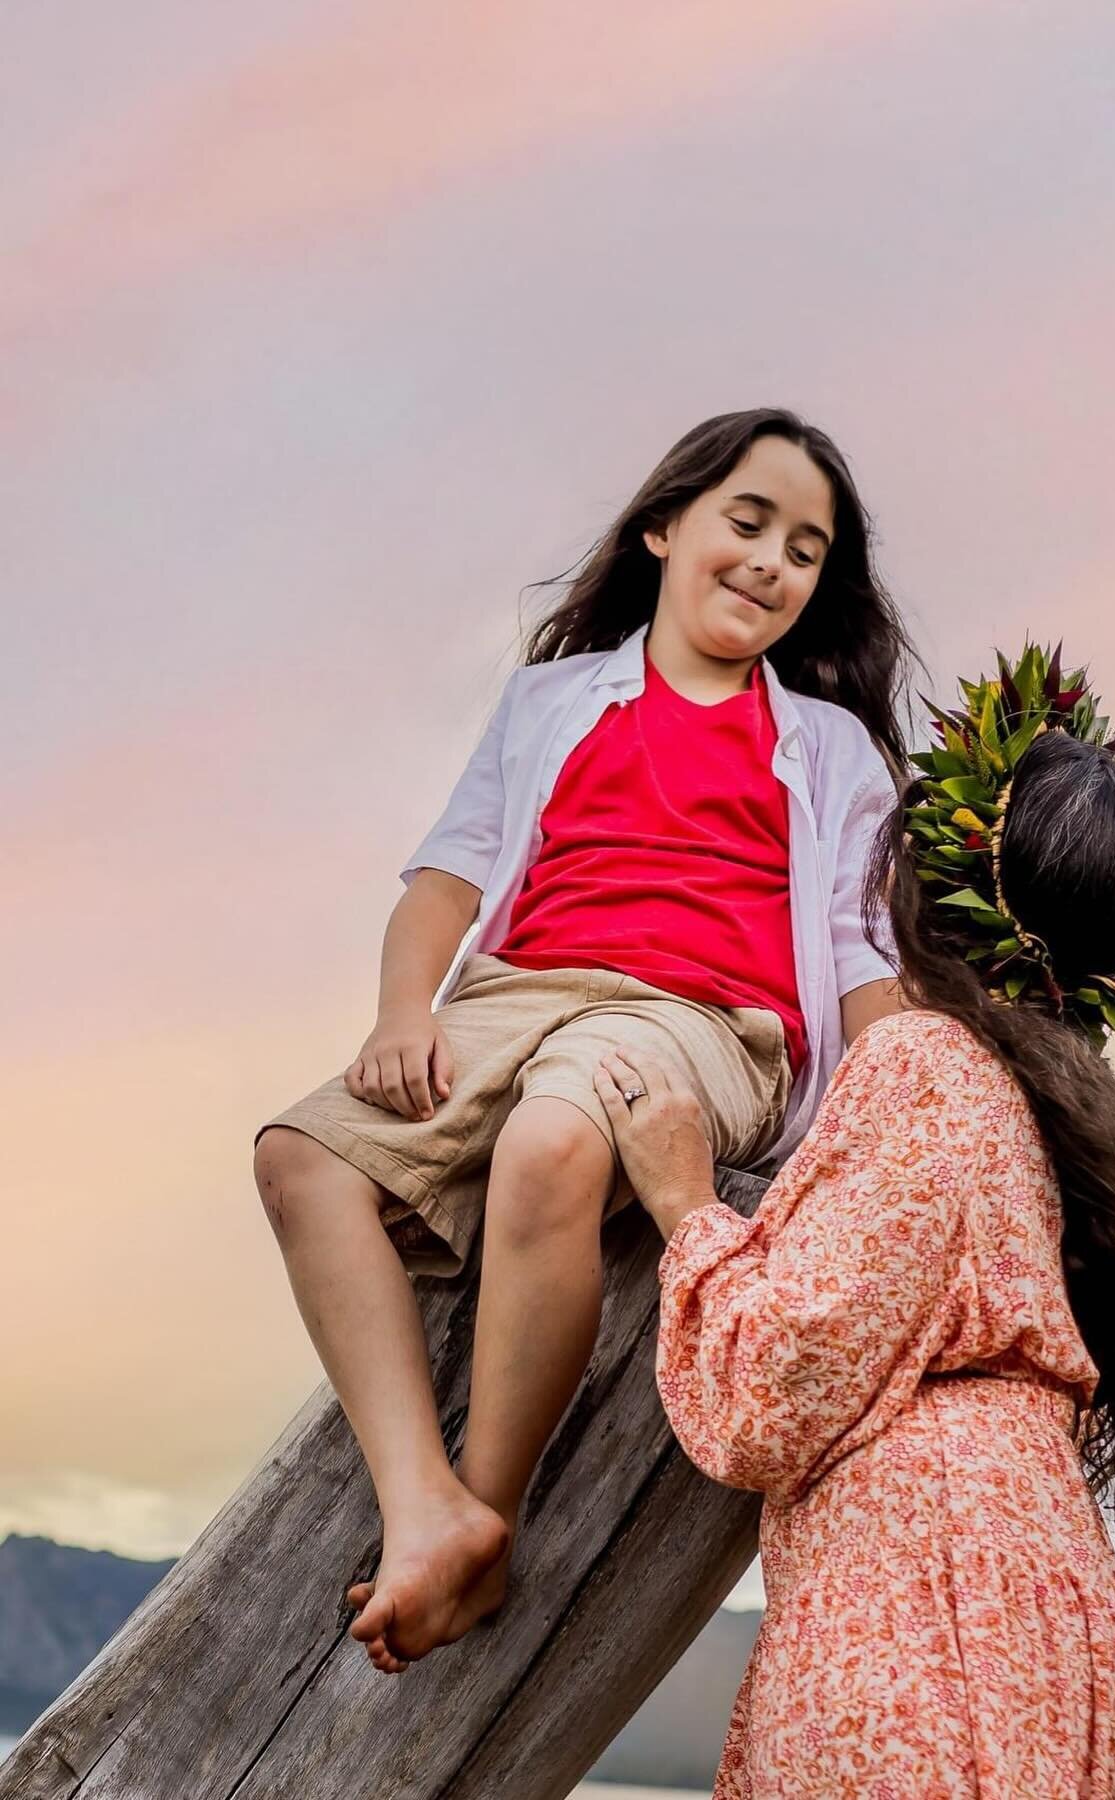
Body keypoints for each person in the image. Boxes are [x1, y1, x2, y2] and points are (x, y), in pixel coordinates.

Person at [252, 408, 915, 1672]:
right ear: (665, 528)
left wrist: (897, 1119)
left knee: (554, 1141)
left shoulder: (829, 751)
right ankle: (424, 1502)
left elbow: (854, 953)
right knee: (300, 1157)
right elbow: (446, 880)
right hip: (513, 992)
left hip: (700, 1019)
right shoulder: (552, 703)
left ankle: (484, 1511)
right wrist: (406, 1012)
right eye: (749, 521)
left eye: (808, 549)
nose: (774, 560)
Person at [595, 647, 1115, 1797]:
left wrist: (683, 1201)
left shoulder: (926, 1066)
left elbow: (776, 1390)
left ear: (925, 886)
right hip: (1048, 1612)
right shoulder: (1060, 1111)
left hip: (921, 1603)